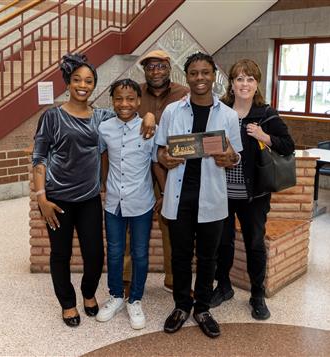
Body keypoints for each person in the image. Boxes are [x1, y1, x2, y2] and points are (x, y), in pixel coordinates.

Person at [32, 53, 155, 327]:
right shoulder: (52, 117)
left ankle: (89, 294)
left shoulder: (102, 116)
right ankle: (67, 303)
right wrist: (41, 198)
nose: (83, 85)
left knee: (96, 254)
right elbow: (39, 159)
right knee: (60, 254)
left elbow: (129, 115)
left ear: (94, 85)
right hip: (57, 199)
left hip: (89, 198)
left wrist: (149, 114)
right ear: (68, 82)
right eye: (77, 79)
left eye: (89, 80)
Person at [156, 52, 242, 338]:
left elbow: (235, 156)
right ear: (187, 76)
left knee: (208, 257)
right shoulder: (172, 111)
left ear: (214, 74)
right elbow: (160, 150)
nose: (200, 78)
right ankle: (181, 305)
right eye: (194, 73)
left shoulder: (228, 115)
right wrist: (165, 159)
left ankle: (202, 308)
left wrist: (229, 158)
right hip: (180, 197)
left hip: (212, 197)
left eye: (205, 72)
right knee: (180, 256)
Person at [210, 59, 295, 320]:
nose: (244, 84)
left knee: (255, 244)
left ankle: (257, 295)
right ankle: (223, 287)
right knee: (221, 244)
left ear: (256, 83)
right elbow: (210, 142)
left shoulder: (266, 113)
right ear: (231, 84)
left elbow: (288, 145)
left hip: (254, 195)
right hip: (222, 192)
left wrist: (263, 136)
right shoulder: (220, 110)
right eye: (239, 79)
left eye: (249, 79)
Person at [95, 79, 166, 330]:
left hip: (141, 202)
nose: (124, 104)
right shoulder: (104, 128)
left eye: (129, 99)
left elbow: (156, 162)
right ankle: (115, 296)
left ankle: (135, 299)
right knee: (114, 252)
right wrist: (103, 184)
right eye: (118, 99)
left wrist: (165, 192)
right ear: (112, 101)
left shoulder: (149, 128)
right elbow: (104, 155)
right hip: (114, 202)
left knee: (140, 253)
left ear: (138, 101)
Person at [122, 49, 189, 294]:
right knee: (130, 222)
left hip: (170, 169)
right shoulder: (135, 93)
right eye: (150, 67)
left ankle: (173, 278)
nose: (155, 71)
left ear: (169, 67)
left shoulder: (184, 94)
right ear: (144, 70)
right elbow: (122, 120)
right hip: (138, 170)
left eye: (160, 66)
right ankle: (127, 277)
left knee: (171, 224)